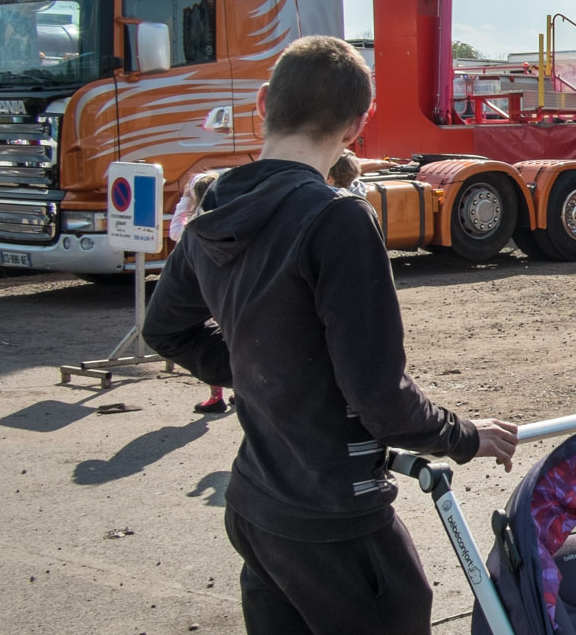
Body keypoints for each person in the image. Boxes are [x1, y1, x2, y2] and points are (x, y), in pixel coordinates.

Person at [141, 36, 519, 635]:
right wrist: (465, 437)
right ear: (357, 126)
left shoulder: (212, 212)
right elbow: (381, 400)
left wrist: (257, 370)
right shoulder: (338, 219)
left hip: (256, 507)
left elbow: (164, 329)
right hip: (333, 522)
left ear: (265, 101)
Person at [168, 170, 231, 415]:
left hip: (204, 288)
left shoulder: (194, 224)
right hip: (227, 287)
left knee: (213, 342)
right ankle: (240, 391)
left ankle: (216, 396)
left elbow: (175, 231)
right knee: (233, 338)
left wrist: (184, 202)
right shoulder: (228, 219)